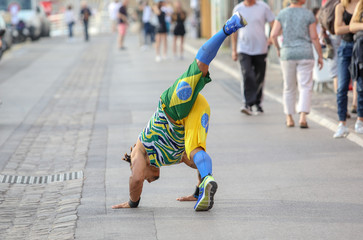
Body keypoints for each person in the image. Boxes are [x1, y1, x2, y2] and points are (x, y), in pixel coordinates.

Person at [111, 13, 247, 211]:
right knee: (196, 152)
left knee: (198, 68)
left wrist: (132, 202)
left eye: (150, 179)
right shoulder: (172, 157)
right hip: (197, 109)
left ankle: (229, 27)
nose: (149, 181)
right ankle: (204, 190)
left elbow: (137, 178)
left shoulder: (139, 151)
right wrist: (198, 191)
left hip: (171, 108)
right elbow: (194, 164)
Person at [270, 0, 323, 128]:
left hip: (287, 53)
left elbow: (273, 35)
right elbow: (314, 37)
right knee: (305, 86)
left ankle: (289, 118)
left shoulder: (282, 13)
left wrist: (278, 48)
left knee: (289, 87)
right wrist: (320, 55)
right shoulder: (308, 14)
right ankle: (303, 117)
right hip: (305, 53)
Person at [231, 0, 275, 115]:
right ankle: (247, 103)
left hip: (261, 48)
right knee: (247, 74)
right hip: (243, 48)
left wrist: (271, 37)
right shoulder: (238, 9)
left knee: (259, 77)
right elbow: (233, 30)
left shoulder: (263, 7)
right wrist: (234, 50)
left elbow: (273, 23)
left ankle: (257, 103)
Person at [333, 0, 359, 138]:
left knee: (360, 86)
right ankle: (341, 123)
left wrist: (347, 26)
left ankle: (360, 120)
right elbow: (337, 30)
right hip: (346, 47)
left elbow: (342, 28)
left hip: (361, 47)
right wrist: (355, 27)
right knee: (342, 87)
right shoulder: (341, 6)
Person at [349, 0, 363, 133]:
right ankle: (360, 119)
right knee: (361, 87)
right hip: (361, 52)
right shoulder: (361, 5)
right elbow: (352, 26)